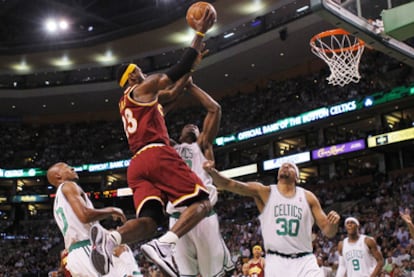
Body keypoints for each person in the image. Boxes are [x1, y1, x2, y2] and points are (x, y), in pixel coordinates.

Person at [89, 10, 216, 277]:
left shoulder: (130, 104)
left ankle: (111, 239)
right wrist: (199, 34)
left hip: (136, 165)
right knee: (203, 203)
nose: (144, 72)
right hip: (156, 154)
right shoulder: (141, 88)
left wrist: (191, 70)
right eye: (139, 71)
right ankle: (165, 245)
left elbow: (171, 93)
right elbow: (174, 73)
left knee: (150, 221)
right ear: (133, 77)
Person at [202, 161, 341, 277]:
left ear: (297, 178)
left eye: (291, 166)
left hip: (305, 260)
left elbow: (328, 231)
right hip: (276, 261)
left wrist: (333, 224)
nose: (286, 166)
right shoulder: (265, 192)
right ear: (277, 175)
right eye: (283, 166)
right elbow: (230, 184)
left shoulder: (308, 197)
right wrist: (213, 172)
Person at [165, 79, 234, 276]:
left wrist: (190, 87)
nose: (192, 126)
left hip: (202, 215)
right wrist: (174, 96)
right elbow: (155, 119)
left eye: (195, 126)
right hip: (177, 219)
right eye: (187, 126)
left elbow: (215, 110)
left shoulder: (202, 145)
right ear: (178, 135)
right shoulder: (169, 149)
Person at [47, 162, 141, 277]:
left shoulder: (58, 199)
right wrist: (111, 210)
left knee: (122, 248)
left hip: (77, 252)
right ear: (58, 176)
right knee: (123, 252)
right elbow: (84, 215)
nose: (72, 167)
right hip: (86, 248)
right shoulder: (69, 186)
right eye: (66, 167)